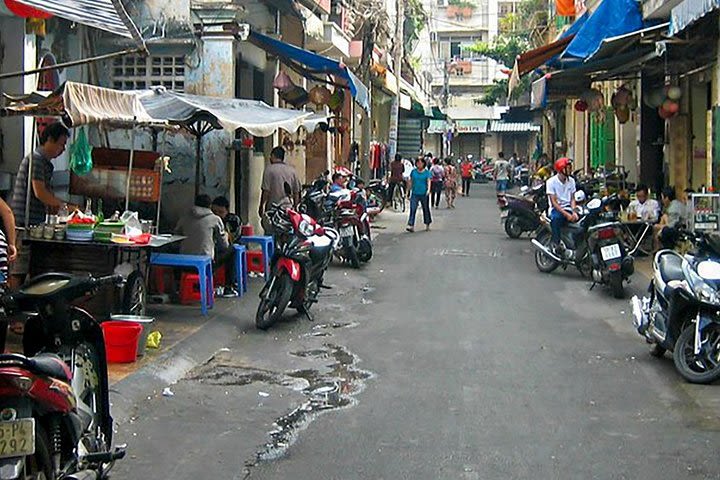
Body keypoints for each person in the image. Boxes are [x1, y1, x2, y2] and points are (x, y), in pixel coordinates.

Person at [11, 122, 74, 226]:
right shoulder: (36, 159)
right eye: (61, 144)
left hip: (35, 218)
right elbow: (40, 193)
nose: (63, 149)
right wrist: (65, 206)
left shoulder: (45, 162)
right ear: (49, 139)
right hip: (25, 220)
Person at [175, 194, 229, 260]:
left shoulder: (184, 217)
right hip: (205, 259)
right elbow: (224, 245)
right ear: (210, 206)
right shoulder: (215, 219)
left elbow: (176, 235)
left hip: (184, 258)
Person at [258, 146, 301, 219]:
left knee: (270, 230)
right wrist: (295, 208)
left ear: (273, 156)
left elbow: (266, 191)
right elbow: (296, 192)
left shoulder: (269, 170)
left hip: (272, 210)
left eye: (270, 156)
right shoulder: (292, 171)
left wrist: (261, 206)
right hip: (288, 209)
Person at [546, 157, 578, 250]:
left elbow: (572, 199)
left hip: (568, 208)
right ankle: (556, 243)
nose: (570, 169)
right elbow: (554, 202)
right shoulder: (551, 182)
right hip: (556, 209)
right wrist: (567, 215)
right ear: (561, 169)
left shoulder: (571, 181)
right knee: (556, 219)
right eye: (568, 167)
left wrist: (574, 211)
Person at [406, 157, 432, 232]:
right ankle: (411, 225)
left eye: (421, 163)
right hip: (415, 193)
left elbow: (428, 181)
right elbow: (410, 182)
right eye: (418, 163)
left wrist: (428, 190)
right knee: (412, 208)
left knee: (425, 209)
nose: (419, 164)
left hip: (424, 193)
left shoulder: (427, 172)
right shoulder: (413, 172)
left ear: (423, 164)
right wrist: (407, 192)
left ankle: (427, 223)